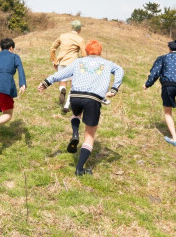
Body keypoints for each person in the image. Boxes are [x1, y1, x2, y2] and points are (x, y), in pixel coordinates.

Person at [38, 40, 124, 176]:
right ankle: (79, 169)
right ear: (100, 52)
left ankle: (75, 132)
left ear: (86, 51)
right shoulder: (107, 64)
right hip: (93, 99)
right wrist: (114, 89)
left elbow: (63, 73)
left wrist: (47, 81)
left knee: (76, 115)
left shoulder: (78, 62)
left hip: (76, 97)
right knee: (89, 136)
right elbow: (120, 70)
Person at [50, 19, 86, 114]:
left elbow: (52, 48)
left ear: (71, 28)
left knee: (62, 82)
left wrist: (55, 60)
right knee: (73, 85)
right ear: (80, 29)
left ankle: (63, 90)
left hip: (62, 62)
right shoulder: (80, 39)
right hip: (74, 63)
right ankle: (66, 106)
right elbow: (84, 54)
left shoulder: (63, 36)